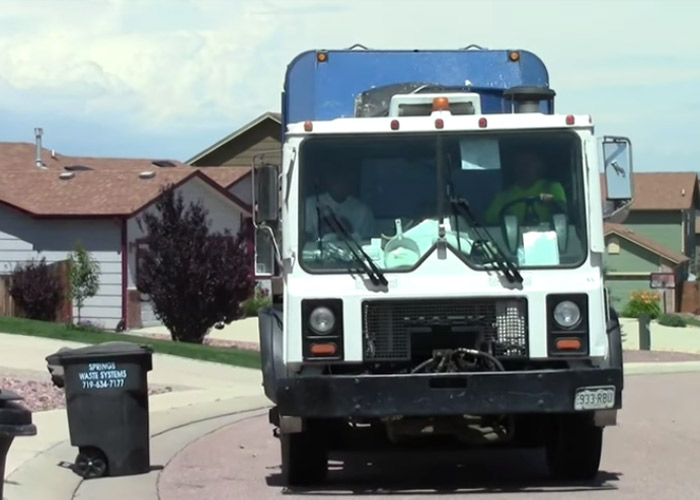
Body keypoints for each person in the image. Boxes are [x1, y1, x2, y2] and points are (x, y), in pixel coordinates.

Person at [483, 150, 567, 225]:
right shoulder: (502, 197)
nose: (525, 168)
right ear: (513, 168)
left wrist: (551, 203)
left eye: (530, 163)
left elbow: (564, 214)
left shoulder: (551, 187)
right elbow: (484, 225)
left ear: (539, 166)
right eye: (519, 164)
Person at [304, 166, 374, 240]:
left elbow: (367, 241)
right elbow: (305, 238)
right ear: (328, 181)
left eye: (345, 180)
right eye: (336, 179)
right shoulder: (311, 204)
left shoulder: (363, 211)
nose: (341, 183)